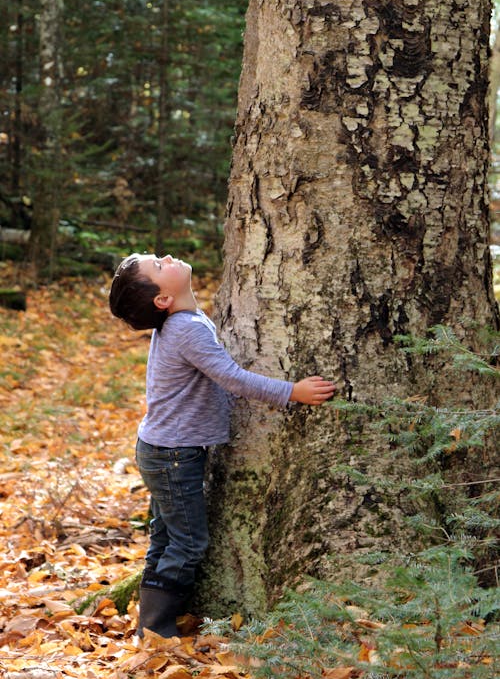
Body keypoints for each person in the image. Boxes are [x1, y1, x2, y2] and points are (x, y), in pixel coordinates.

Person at [109, 253, 335, 638]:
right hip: (172, 455)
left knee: (166, 535)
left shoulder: (183, 324)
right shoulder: (185, 329)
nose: (166, 257)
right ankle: (156, 631)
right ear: (162, 300)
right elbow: (232, 379)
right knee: (189, 542)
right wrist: (291, 392)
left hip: (163, 449)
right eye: (159, 266)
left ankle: (150, 629)